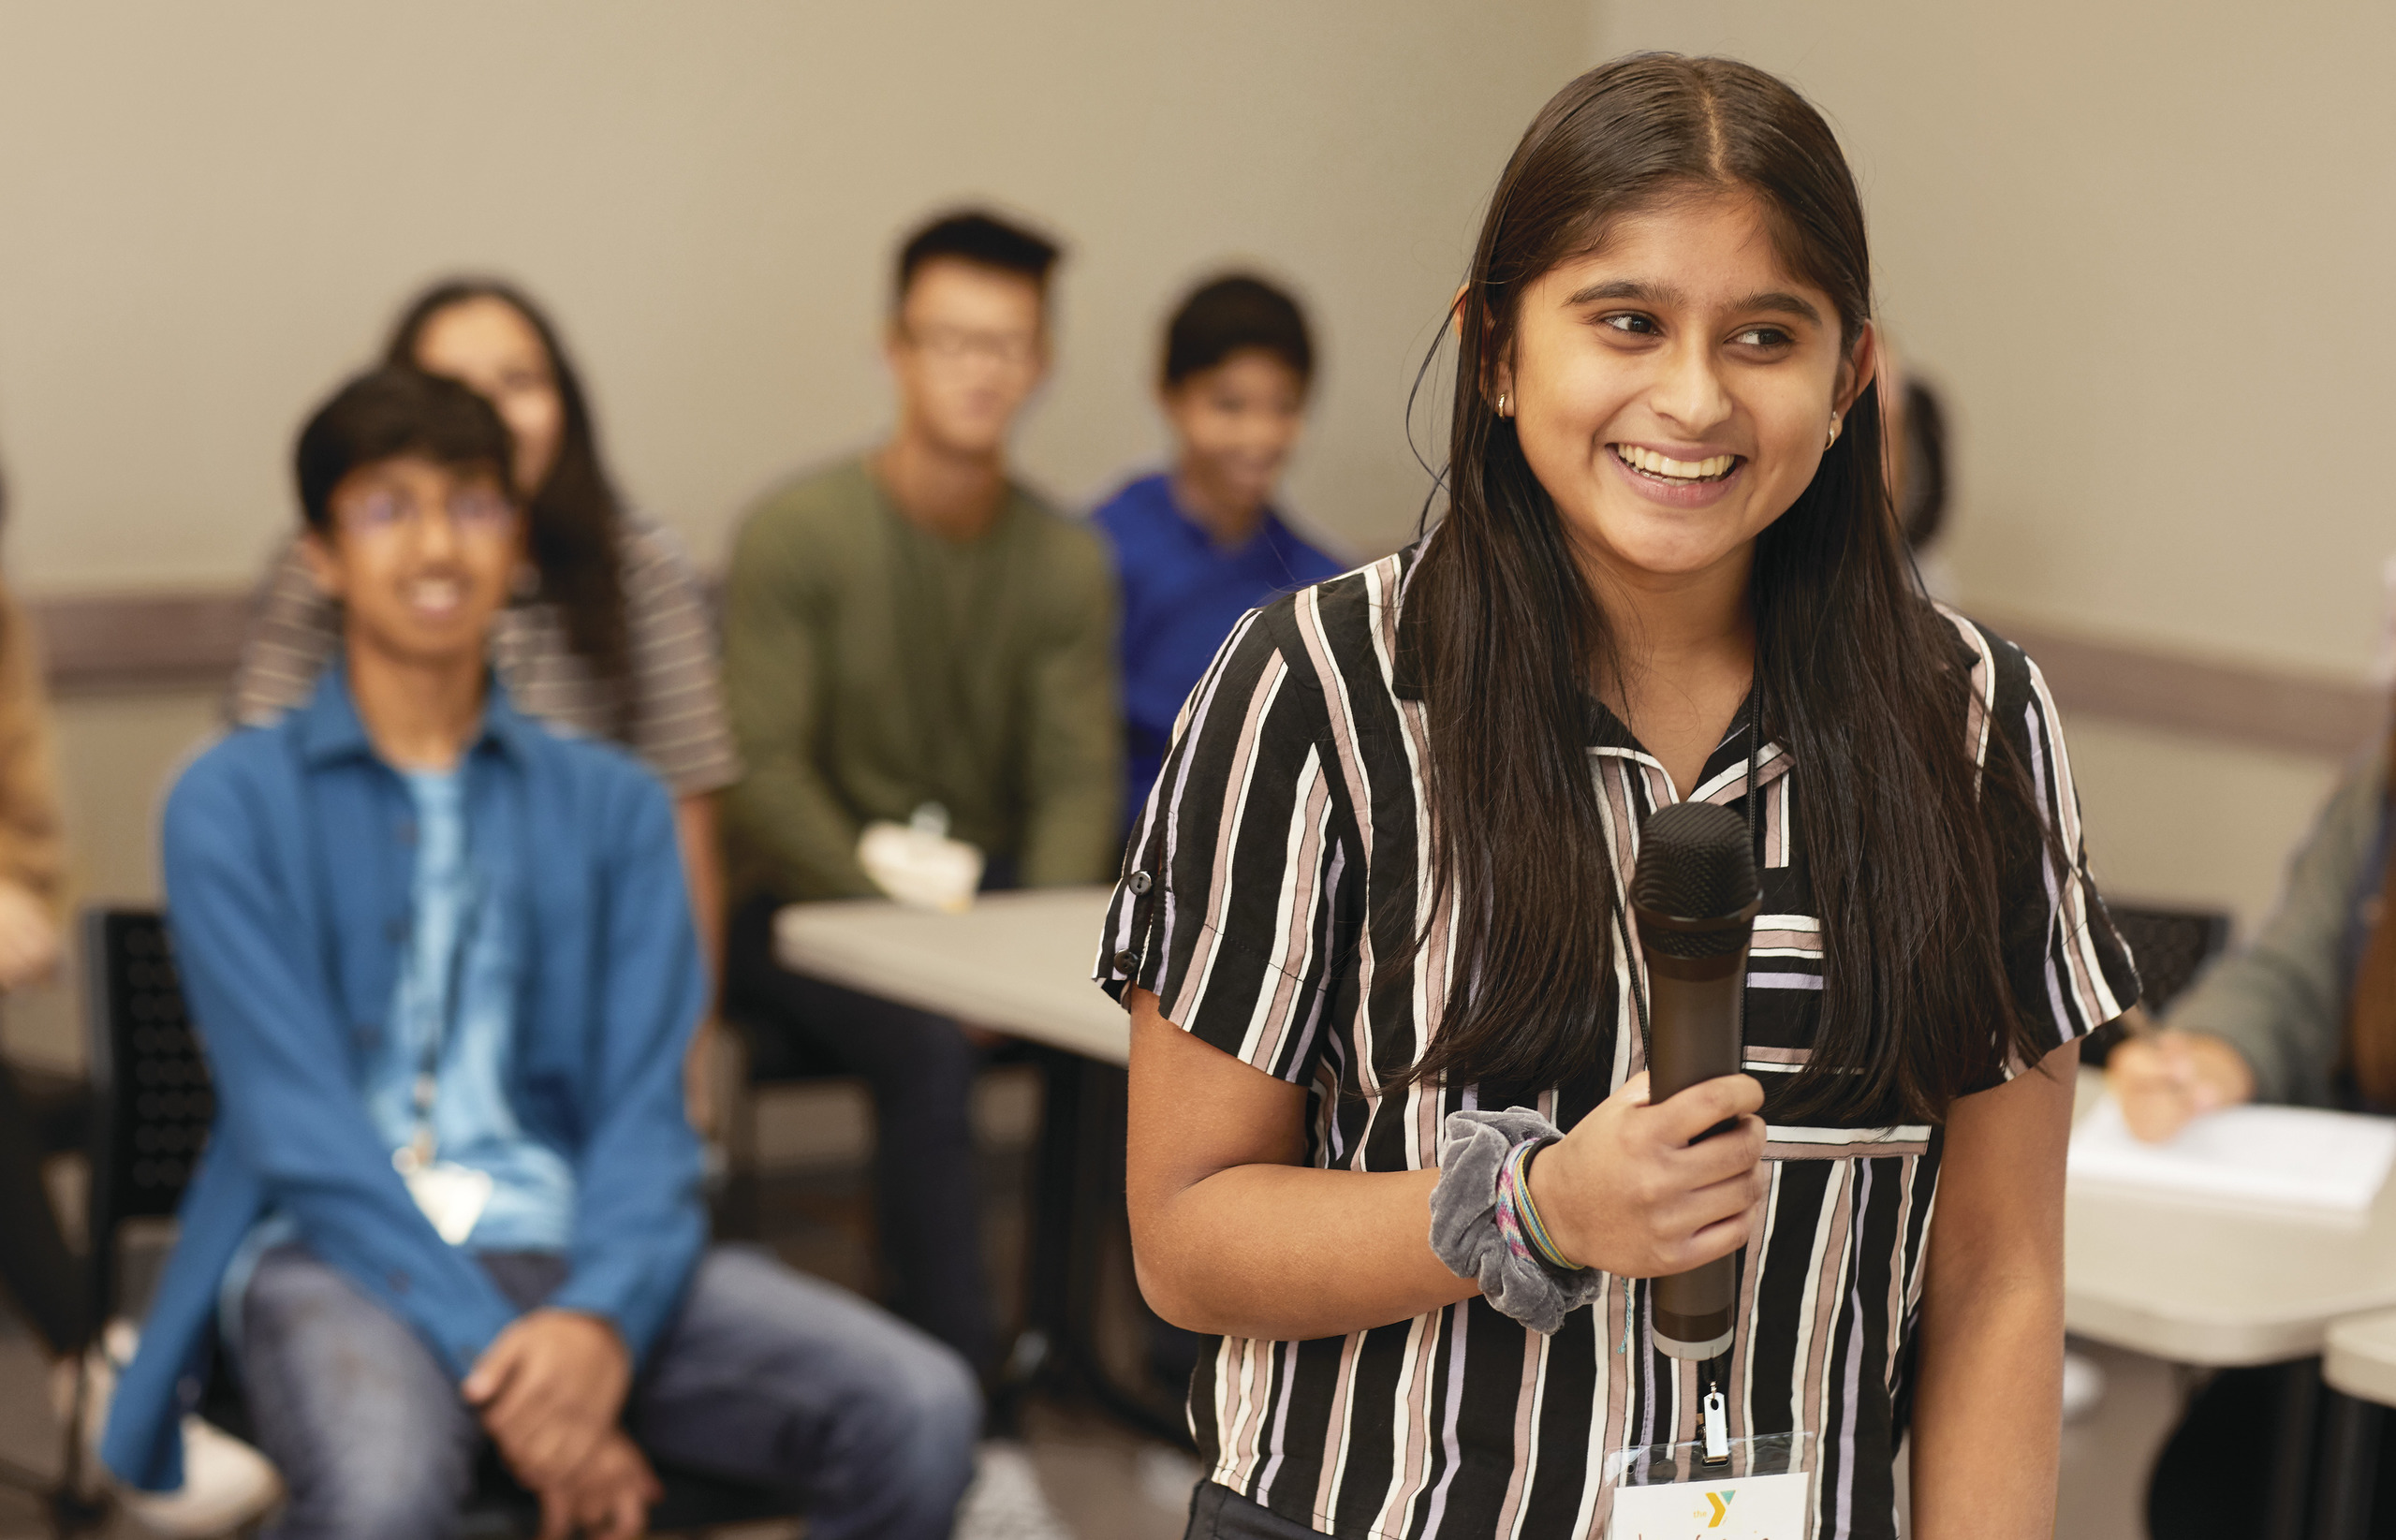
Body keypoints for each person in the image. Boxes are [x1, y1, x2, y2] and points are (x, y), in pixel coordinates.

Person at [1100, 54, 2136, 1540]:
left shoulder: (1970, 724)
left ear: (1848, 381)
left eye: (1763, 336)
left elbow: (1994, 1275)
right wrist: (1530, 1213)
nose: (1693, 396)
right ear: (1496, 352)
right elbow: (1184, 1235)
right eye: (1627, 321)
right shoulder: (1315, 688)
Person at [102, 366, 978, 1540]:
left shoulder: (614, 806)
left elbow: (646, 1114)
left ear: (517, 542)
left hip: (578, 1244)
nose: (434, 545)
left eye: (471, 505)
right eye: (385, 507)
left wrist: (598, 1321)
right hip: (332, 1251)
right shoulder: (226, 802)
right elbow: (294, 1128)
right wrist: (528, 1379)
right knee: (381, 1494)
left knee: (919, 1408)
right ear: (318, 552)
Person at [721, 210, 1120, 1378]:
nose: (980, 370)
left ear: (1040, 362)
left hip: (984, 903)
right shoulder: (800, 533)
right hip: (809, 908)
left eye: (1007, 345)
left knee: (1163, 1014)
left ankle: (1130, 1364)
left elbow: (1070, 779)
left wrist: (1019, 956)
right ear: (895, 347)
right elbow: (766, 775)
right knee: (926, 1045)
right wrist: (929, 960)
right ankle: (968, 1406)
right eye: (952, 340)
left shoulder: (1062, 560)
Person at [227, 280, 740, 1128]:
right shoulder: (322, 576)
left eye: (520, 381)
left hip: (586, 989)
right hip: (362, 1001)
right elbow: (264, 800)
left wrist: (683, 1057)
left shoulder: (634, 567)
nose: (492, 412)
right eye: (457, 386)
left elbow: (686, 820)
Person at [2109, 715, 2396, 1536]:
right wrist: (2210, 1055)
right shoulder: (2378, 783)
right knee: (2210, 1491)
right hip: (2347, 1279)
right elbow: (2289, 976)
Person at [1092, 274, 1345, 823]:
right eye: (1230, 406)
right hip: (1113, 861)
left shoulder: (1321, 589)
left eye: (1284, 406)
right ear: (1171, 397)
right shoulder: (1099, 553)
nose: (1260, 436)